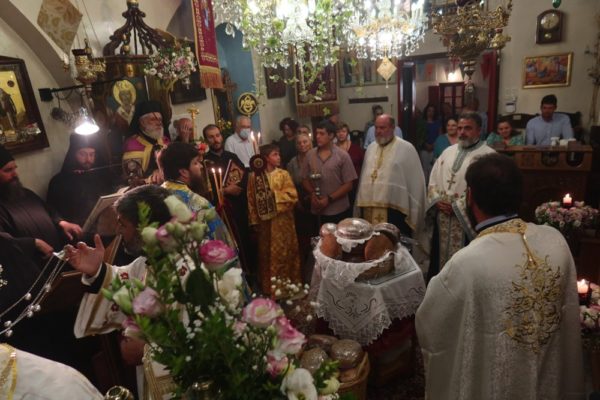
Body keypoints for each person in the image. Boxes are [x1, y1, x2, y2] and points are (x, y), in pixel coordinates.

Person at [416, 153, 584, 400]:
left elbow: (430, 321)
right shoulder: (556, 242)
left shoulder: (467, 263)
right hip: (549, 378)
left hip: (499, 383)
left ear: (470, 197)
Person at [427, 112, 495, 278]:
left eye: (468, 128)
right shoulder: (447, 152)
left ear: (479, 130)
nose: (462, 132)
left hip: (468, 220)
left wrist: (457, 206)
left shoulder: (489, 156)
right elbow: (433, 180)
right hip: (443, 218)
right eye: (460, 128)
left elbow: (488, 190)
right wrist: (437, 200)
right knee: (439, 262)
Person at [0, 144, 82, 263]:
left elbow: (49, 211)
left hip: (59, 258)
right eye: (8, 170)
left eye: (14, 168)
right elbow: (4, 241)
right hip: (32, 266)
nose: (15, 174)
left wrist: (62, 222)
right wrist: (34, 243)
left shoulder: (25, 193)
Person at [356, 114, 427, 239]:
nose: (378, 131)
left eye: (382, 128)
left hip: (395, 207)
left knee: (393, 243)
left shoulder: (406, 148)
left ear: (393, 128)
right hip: (369, 205)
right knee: (370, 242)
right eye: (376, 127)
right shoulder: (371, 148)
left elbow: (415, 181)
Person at [159, 142, 235, 249]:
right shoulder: (198, 203)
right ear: (184, 172)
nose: (201, 166)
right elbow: (222, 244)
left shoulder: (156, 195)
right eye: (195, 163)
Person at [247, 144, 301, 294]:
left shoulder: (283, 174)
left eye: (278, 154)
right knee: (266, 254)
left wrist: (271, 197)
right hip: (264, 225)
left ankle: (287, 286)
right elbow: (251, 200)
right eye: (275, 154)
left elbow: (292, 196)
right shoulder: (254, 177)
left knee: (284, 253)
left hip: (283, 223)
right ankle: (268, 287)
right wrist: (254, 222)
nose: (279, 157)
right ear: (265, 158)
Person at [203, 124, 252, 275]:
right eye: (211, 137)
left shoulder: (231, 157)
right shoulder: (205, 161)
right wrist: (224, 191)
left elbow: (244, 177)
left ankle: (249, 271)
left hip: (238, 207)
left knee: (244, 239)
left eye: (217, 135)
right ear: (206, 140)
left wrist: (238, 187)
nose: (216, 139)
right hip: (219, 209)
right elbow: (205, 188)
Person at [46, 133, 115, 226]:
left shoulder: (103, 176)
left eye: (92, 154)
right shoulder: (58, 181)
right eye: (83, 154)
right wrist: (62, 222)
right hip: (77, 230)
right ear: (73, 155)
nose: (88, 159)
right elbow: (51, 209)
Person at [301, 120, 357, 227]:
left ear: (331, 135)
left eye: (322, 133)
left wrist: (329, 199)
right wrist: (312, 194)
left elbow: (349, 184)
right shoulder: (310, 155)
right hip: (317, 209)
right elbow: (304, 179)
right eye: (317, 133)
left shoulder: (342, 155)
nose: (317, 136)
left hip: (338, 209)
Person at [122, 100, 169, 184]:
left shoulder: (164, 141)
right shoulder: (132, 145)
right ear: (142, 122)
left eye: (160, 119)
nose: (159, 123)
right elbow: (133, 179)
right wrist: (153, 175)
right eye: (153, 119)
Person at [335, 122, 364, 207]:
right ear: (335, 134)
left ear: (347, 133)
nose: (341, 134)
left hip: (355, 185)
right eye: (338, 131)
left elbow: (363, 165)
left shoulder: (356, 148)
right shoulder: (332, 149)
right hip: (338, 187)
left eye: (343, 131)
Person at [419, 103, 442, 182]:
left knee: (433, 167)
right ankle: (425, 184)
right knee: (425, 168)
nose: (431, 113)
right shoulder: (422, 122)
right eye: (429, 111)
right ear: (426, 111)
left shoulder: (437, 123)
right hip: (424, 148)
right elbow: (419, 136)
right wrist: (426, 144)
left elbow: (440, 135)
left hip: (434, 148)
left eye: (432, 111)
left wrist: (434, 145)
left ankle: (431, 184)